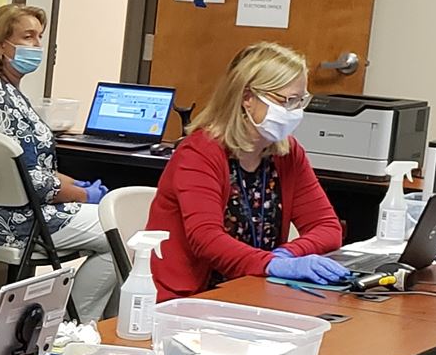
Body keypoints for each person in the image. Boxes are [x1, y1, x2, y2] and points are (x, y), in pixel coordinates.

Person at [0, 4, 123, 323]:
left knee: (119, 229)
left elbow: (31, 165)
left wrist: (75, 185)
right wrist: (84, 196)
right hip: (1, 217)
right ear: (1, 44)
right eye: (27, 36)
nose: (36, 46)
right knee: (120, 232)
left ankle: (98, 328)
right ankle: (72, 328)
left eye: (39, 37)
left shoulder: (4, 91)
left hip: (19, 209)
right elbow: (29, 181)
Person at [144, 42, 350, 300]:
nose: (295, 111)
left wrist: (286, 256)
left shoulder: (287, 153)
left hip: (256, 288)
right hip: (192, 298)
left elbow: (327, 227)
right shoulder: (199, 152)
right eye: (287, 101)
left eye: (300, 101)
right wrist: (272, 265)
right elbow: (206, 239)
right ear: (247, 99)